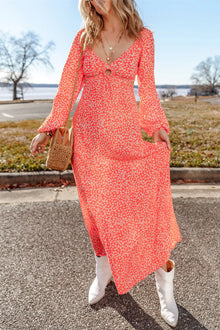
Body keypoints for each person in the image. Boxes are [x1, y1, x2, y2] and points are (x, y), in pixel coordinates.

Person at [30, 0, 182, 327]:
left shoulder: (144, 37)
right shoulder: (83, 38)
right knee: (97, 214)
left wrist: (157, 127)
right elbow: (68, 87)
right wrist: (50, 127)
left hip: (126, 139)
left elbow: (150, 90)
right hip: (88, 142)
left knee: (146, 212)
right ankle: (103, 274)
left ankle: (164, 286)